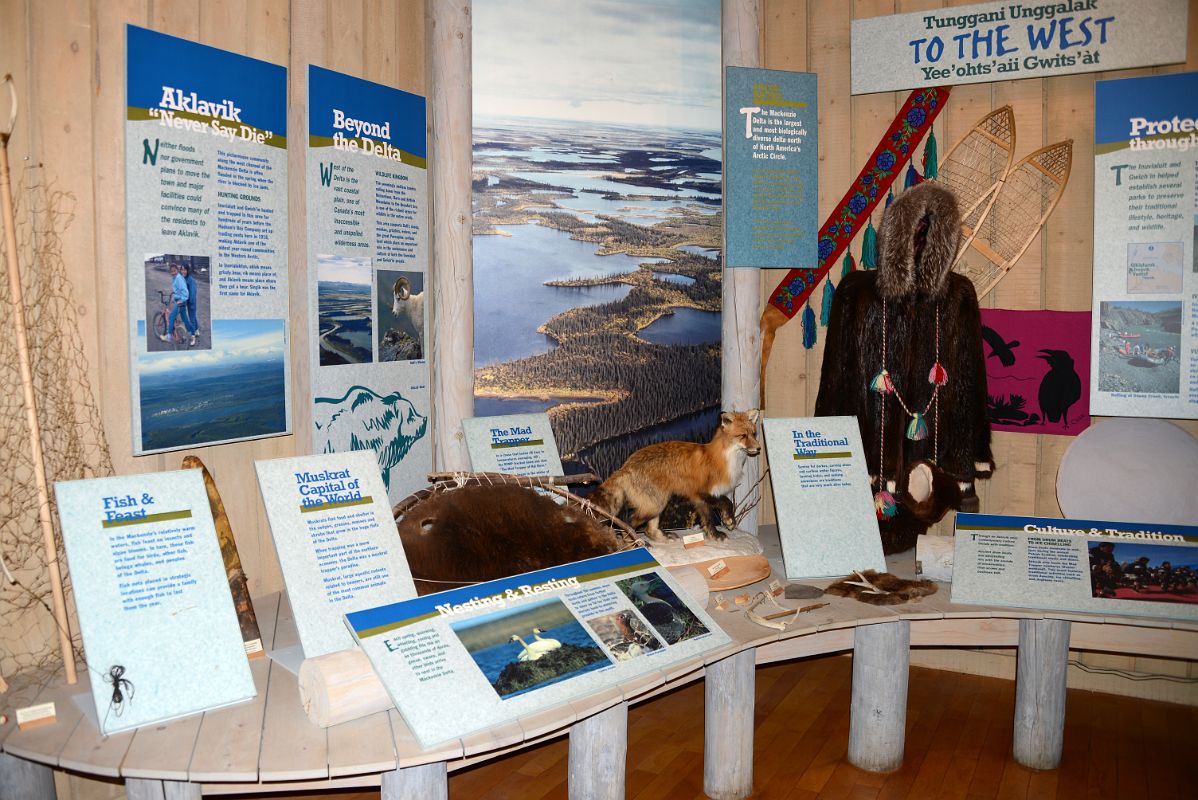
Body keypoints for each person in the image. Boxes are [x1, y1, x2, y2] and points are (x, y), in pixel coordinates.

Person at [159, 263, 189, 345]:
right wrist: (175, 296)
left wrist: (181, 299)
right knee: (184, 319)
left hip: (181, 302)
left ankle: (168, 337)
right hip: (181, 301)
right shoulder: (176, 278)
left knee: (171, 317)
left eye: (174, 271)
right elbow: (178, 289)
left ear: (177, 270)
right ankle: (190, 333)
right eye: (171, 271)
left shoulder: (178, 278)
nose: (173, 273)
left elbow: (185, 291)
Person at [181, 263, 199, 347]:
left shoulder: (190, 280)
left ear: (188, 270)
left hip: (191, 302)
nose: (183, 271)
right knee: (193, 316)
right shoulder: (184, 278)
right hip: (187, 301)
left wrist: (191, 303)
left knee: (191, 319)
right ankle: (197, 330)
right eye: (182, 269)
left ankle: (193, 336)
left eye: (184, 269)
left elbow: (192, 292)